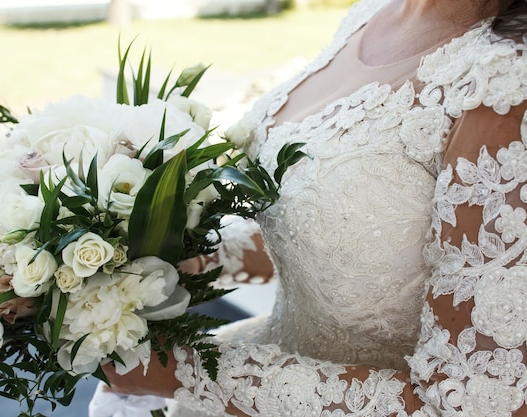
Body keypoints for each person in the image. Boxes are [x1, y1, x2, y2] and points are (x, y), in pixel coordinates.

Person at [96, 0, 527, 415]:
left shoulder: (504, 83)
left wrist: (185, 375)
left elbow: (473, 404)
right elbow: (338, 233)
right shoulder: (371, 13)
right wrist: (186, 257)